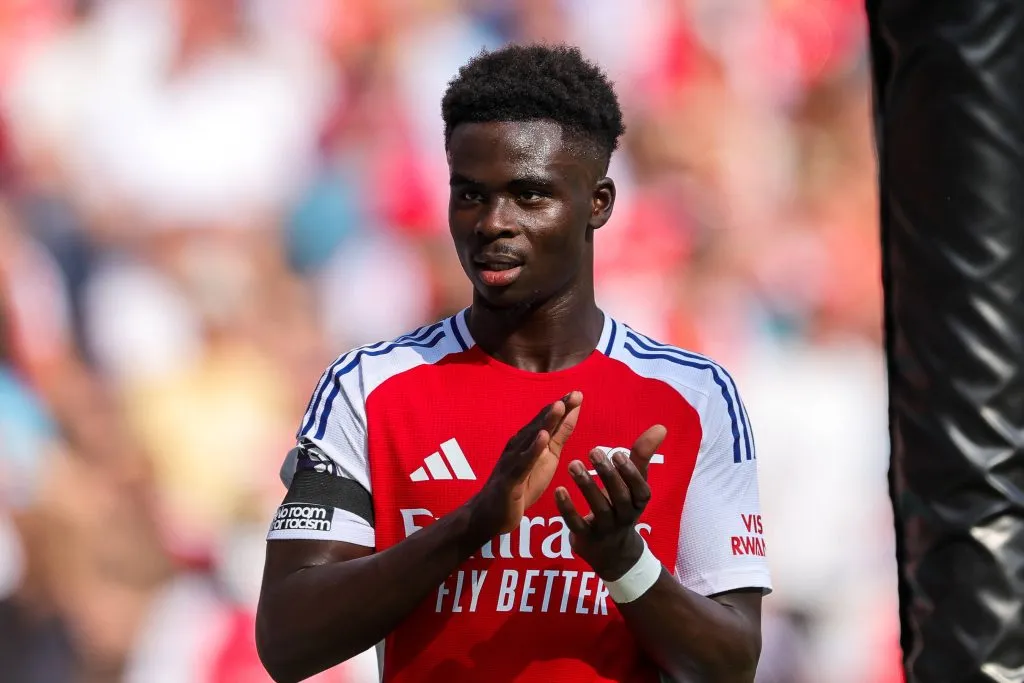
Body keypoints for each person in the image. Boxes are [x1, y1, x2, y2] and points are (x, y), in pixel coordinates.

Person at [256, 44, 770, 683]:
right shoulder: (369, 387)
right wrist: (474, 522)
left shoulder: (691, 396)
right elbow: (285, 640)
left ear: (599, 203)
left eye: (530, 195)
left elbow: (732, 663)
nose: (493, 223)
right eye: (470, 194)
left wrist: (619, 557)